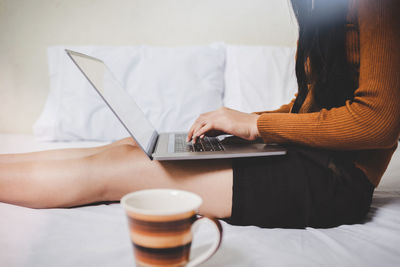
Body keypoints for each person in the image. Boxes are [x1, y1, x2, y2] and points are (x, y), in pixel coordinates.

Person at [0, 0, 399, 228]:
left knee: (116, 171)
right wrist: (245, 121)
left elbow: (379, 122)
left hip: (334, 182)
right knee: (126, 148)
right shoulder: (322, 10)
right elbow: (310, 106)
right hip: (302, 153)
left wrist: (254, 124)